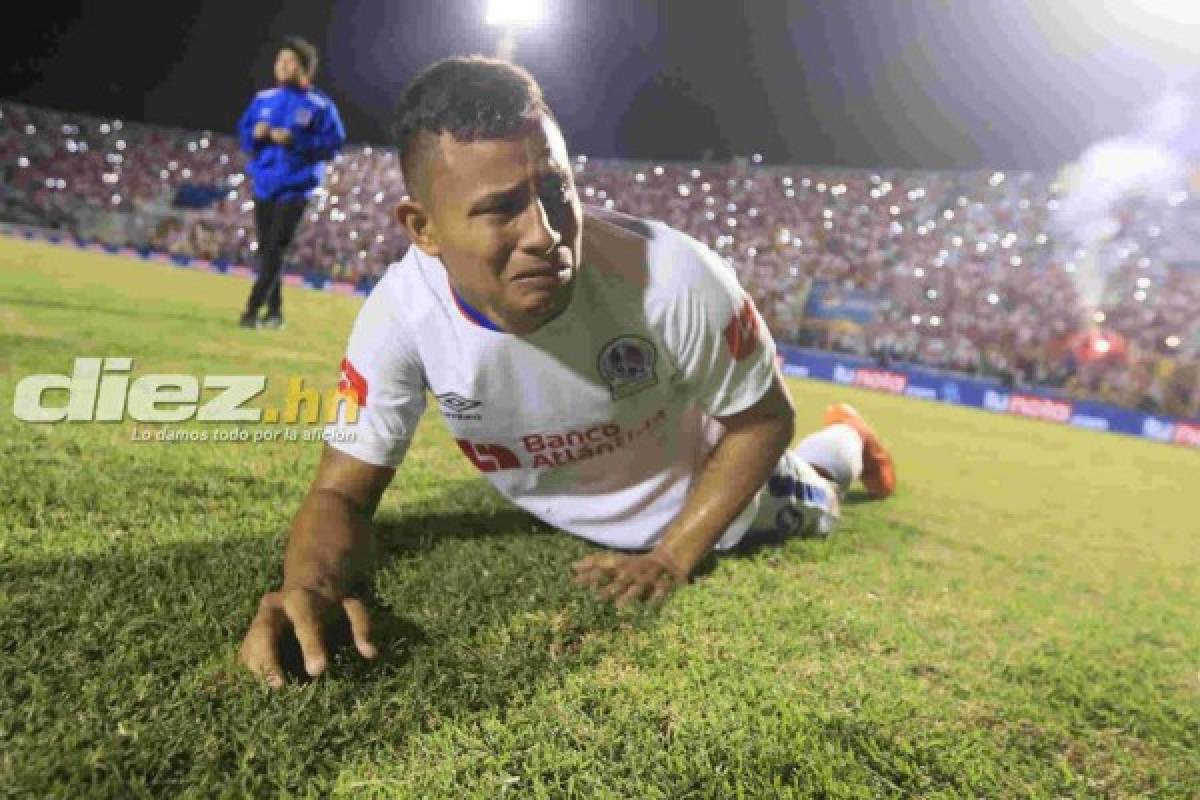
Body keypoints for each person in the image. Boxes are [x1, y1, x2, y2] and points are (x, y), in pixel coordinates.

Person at [238, 56, 896, 688]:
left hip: (700, 485)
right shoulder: (401, 316)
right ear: (423, 228)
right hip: (566, 498)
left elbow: (763, 419)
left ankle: (851, 439)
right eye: (501, 208)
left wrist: (671, 556)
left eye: (554, 190)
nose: (545, 233)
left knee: (821, 487)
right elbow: (341, 494)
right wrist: (309, 589)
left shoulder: (674, 276)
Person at [236, 36, 346, 329]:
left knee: (275, 249)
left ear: (305, 69)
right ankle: (275, 314)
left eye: (289, 61)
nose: (282, 66)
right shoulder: (263, 99)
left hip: (297, 186)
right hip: (264, 183)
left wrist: (296, 140)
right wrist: (254, 136)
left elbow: (332, 145)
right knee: (267, 251)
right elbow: (244, 136)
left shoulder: (320, 106)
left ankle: (251, 311)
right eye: (279, 60)